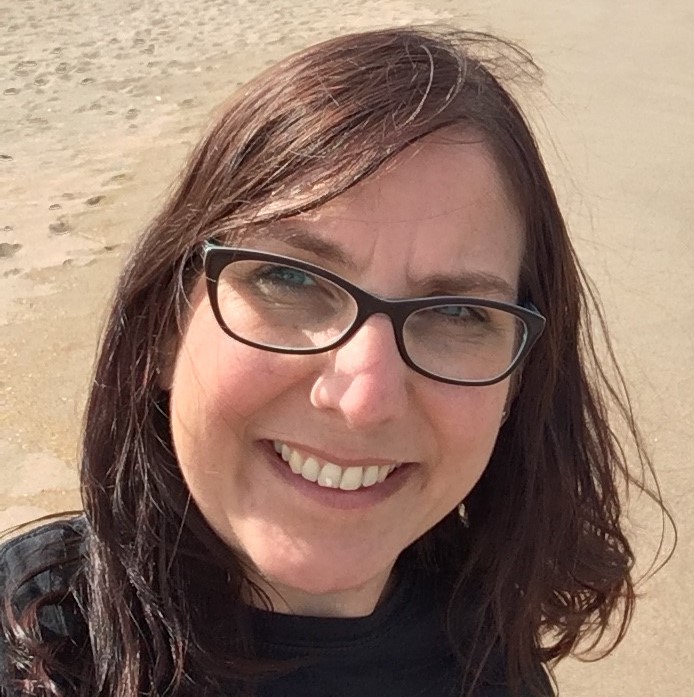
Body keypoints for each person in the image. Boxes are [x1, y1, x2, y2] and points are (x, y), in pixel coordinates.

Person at [0, 26, 672, 697]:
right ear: (164, 330)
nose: (364, 397)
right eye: (289, 280)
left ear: (516, 385)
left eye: (457, 313)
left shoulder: (493, 662)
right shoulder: (32, 640)